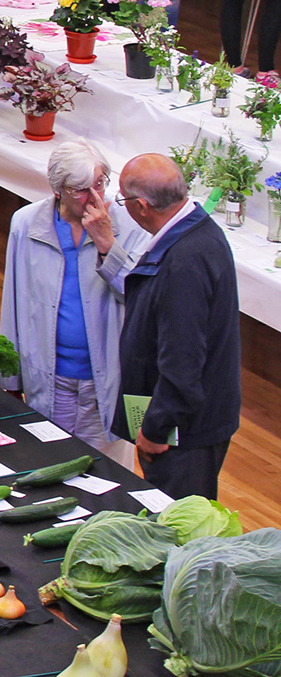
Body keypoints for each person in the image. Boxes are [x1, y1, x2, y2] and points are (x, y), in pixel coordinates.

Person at [0, 140, 137, 464]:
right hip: (48, 376)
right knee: (47, 467)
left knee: (106, 480)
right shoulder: (26, 223)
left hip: (106, 381)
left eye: (100, 184)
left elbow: (138, 296)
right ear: (59, 190)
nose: (95, 197)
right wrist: (10, 378)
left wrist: (106, 243)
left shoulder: (128, 226)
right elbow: (14, 303)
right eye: (81, 189)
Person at [112, 154, 241, 500]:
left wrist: (156, 427)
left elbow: (182, 360)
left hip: (183, 431)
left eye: (122, 200)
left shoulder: (184, 261)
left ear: (141, 207)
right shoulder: (196, 231)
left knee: (173, 528)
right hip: (189, 421)